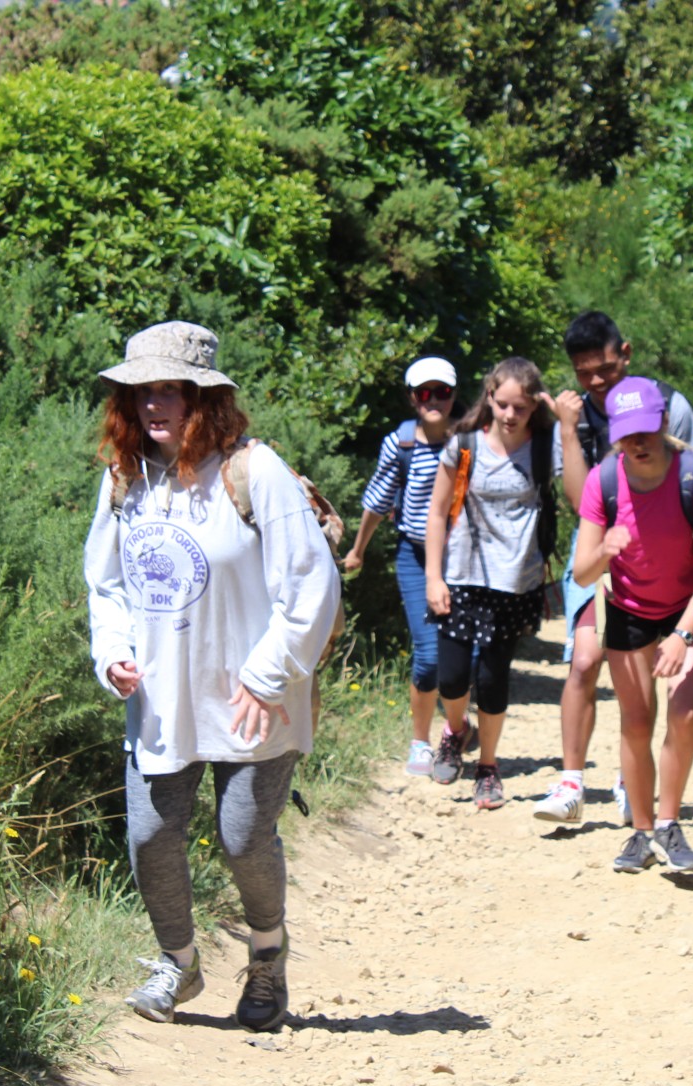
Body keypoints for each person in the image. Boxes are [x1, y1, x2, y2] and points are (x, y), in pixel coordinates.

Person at [84, 321, 340, 1027]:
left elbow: (312, 586)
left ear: (206, 398)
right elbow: (103, 584)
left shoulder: (254, 473)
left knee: (242, 836)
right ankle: (179, 961)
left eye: (170, 389)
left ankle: (266, 958)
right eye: (141, 391)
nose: (153, 404)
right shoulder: (125, 479)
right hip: (162, 699)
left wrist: (266, 676)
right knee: (148, 835)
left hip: (255, 697)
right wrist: (111, 652)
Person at [534, 311, 693, 826]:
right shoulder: (577, 416)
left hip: (661, 562)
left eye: (605, 368)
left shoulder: (670, 406)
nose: (596, 382)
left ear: (625, 354)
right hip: (602, 555)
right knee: (585, 660)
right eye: (584, 373)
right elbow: (577, 496)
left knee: (648, 679)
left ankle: (634, 780)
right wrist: (566, 431)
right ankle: (571, 782)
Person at [572, 377, 693, 872]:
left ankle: (668, 824)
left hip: (687, 609)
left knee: (684, 714)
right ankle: (639, 833)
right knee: (637, 722)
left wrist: (682, 635)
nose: (637, 442)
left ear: (662, 422)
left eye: (645, 430)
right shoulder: (604, 481)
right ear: (614, 433)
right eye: (625, 433)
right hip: (628, 609)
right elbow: (581, 573)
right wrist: (605, 550)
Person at [424, 356, 556, 809]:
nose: (510, 415)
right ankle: (456, 731)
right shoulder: (463, 447)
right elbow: (438, 511)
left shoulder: (545, 447)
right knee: (452, 677)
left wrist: (569, 425)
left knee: (494, 678)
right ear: (489, 399)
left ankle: (489, 767)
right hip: (460, 577)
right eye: (502, 404)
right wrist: (433, 577)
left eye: (520, 407)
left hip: (514, 583)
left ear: (534, 406)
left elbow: (580, 487)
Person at [342, 357, 475, 776]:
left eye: (443, 392)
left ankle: (455, 729)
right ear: (412, 397)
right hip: (416, 557)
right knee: (429, 655)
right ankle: (420, 741)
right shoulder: (400, 444)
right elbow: (378, 499)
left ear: (454, 395)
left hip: (465, 561)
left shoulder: (472, 441)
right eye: (424, 393)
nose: (434, 400)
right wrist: (358, 549)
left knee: (462, 655)